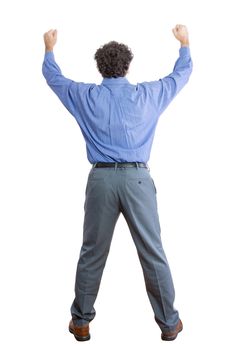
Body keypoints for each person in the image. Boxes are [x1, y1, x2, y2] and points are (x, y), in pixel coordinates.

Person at [42, 24, 192, 342]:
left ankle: (80, 322)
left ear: (100, 67)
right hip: (138, 179)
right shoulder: (147, 95)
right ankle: (169, 324)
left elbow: (55, 79)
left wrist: (49, 50)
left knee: (92, 252)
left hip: (101, 181)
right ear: (127, 66)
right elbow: (179, 76)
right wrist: (184, 45)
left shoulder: (86, 97)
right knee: (153, 252)